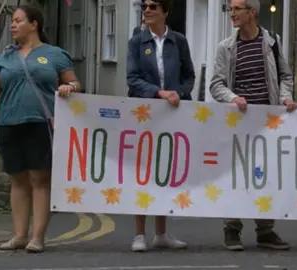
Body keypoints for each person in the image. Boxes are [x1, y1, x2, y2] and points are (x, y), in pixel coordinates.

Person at [209, 0, 297, 251]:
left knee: (264, 176)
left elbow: (285, 77)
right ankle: (232, 229)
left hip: (266, 123)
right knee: (235, 175)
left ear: (252, 13)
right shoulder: (225, 48)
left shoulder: (272, 42)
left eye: (237, 9)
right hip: (237, 121)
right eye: (230, 9)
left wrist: (285, 97)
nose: (232, 14)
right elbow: (216, 85)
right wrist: (233, 98)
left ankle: (265, 231)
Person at [0, 6, 80, 253]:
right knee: (18, 179)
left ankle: (37, 237)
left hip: (41, 123)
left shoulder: (54, 54)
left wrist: (70, 88)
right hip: (9, 122)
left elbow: (74, 81)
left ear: (34, 25)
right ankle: (19, 235)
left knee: (40, 179)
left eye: (18, 21)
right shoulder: (4, 57)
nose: (13, 25)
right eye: (11, 22)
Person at [126, 0, 195, 252]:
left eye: (153, 6)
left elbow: (189, 74)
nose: (147, 10)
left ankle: (162, 233)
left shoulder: (179, 41)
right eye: (144, 6)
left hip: (172, 113)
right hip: (144, 113)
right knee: (142, 171)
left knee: (164, 171)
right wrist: (159, 93)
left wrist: (179, 93)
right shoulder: (136, 41)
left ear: (165, 12)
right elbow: (132, 79)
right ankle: (138, 234)